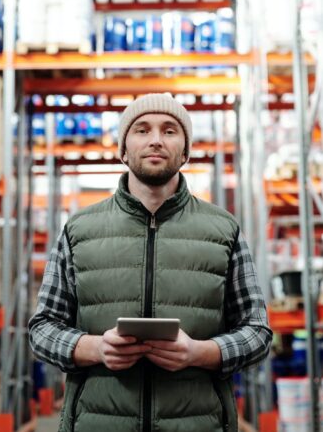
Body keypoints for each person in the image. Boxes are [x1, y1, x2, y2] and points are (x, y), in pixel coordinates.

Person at [29, 93, 272, 432]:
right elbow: (42, 329)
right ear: (123, 150)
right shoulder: (78, 230)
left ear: (185, 152)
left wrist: (199, 353)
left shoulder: (224, 230)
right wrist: (96, 348)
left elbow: (258, 332)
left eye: (170, 131)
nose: (156, 140)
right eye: (142, 130)